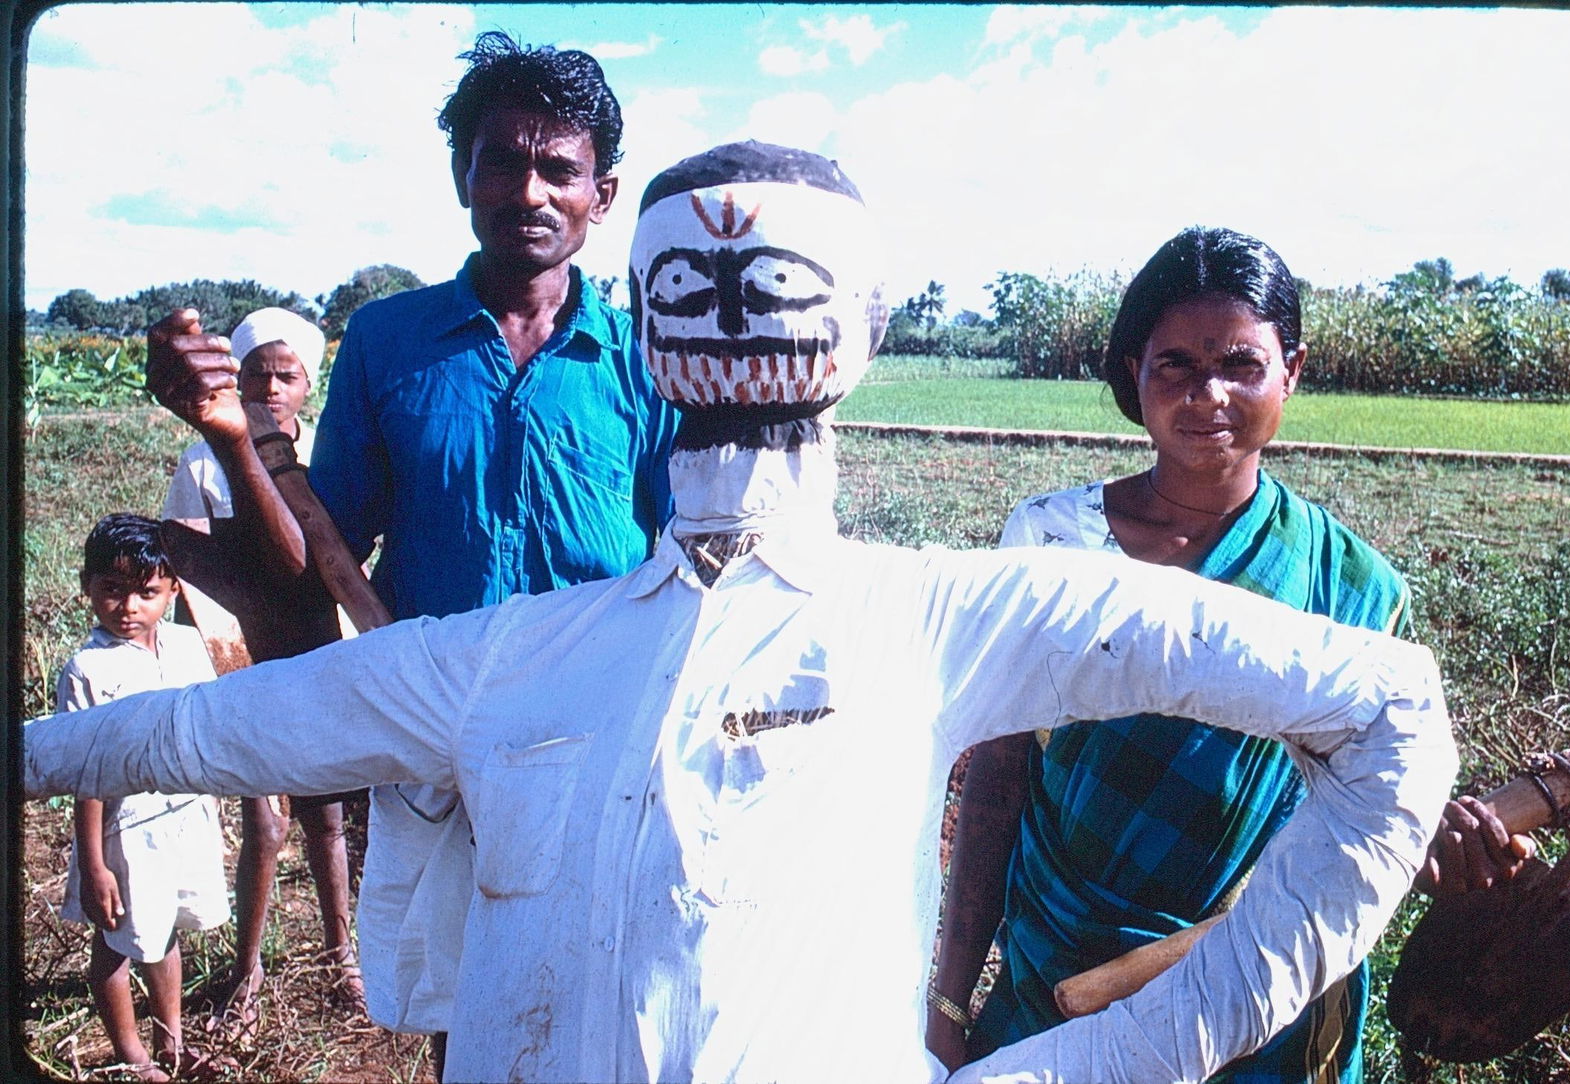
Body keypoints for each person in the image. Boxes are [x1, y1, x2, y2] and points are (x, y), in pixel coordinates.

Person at [31, 142, 1456, 1083]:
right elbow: (213, 730)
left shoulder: (940, 613)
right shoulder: (518, 654)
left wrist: (1121, 1053)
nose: (727, 313)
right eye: (696, 290)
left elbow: (1396, 714)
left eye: (764, 284)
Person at [142, 31, 677, 1057]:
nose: (530, 188)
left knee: (602, 1007)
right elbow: (316, 567)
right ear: (462, 176)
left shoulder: (642, 355)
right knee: (458, 1011)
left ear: (601, 195)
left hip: (597, 738)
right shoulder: (389, 342)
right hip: (435, 749)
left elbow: (676, 566)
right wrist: (227, 434)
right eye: (502, 160)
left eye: (559, 168)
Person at [926, 226, 1409, 1081]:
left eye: (1241, 365)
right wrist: (950, 996)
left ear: (1291, 372)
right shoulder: (1051, 539)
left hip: (1251, 985)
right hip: (1058, 972)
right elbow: (999, 779)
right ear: (1133, 373)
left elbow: (1367, 800)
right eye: (1175, 364)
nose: (1207, 394)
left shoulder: (1350, 587)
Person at [159, 306, 363, 1033]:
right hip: (244, 649)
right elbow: (186, 561)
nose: (271, 388)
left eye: (287, 376)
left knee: (328, 818)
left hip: (319, 643)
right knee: (264, 819)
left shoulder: (327, 454)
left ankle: (342, 953)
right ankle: (247, 970)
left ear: (309, 384)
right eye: (256, 375)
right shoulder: (203, 460)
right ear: (234, 379)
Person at [57, 514, 229, 1081]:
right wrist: (94, 862)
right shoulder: (88, 669)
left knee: (165, 932)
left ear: (173, 590)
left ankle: (171, 1040)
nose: (129, 606)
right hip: (124, 833)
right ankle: (132, 1056)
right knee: (117, 943)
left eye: (147, 592)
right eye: (112, 589)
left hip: (183, 817)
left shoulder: (186, 646)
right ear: (88, 586)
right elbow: (88, 773)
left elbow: (206, 729)